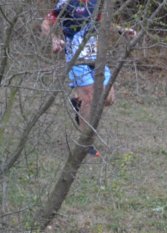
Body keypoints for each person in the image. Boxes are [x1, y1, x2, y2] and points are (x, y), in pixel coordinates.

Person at [40, 0, 135, 156]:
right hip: (76, 59)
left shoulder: (95, 3)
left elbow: (103, 22)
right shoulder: (67, 3)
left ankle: (78, 103)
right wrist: (54, 40)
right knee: (90, 98)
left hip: (96, 57)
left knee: (108, 98)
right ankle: (85, 143)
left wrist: (121, 30)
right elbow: (46, 23)